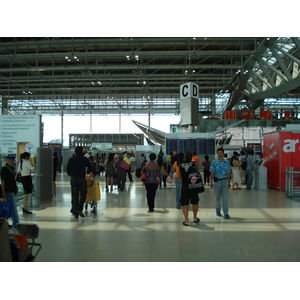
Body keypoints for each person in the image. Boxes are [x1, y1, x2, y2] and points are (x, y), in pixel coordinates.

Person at [67, 146, 93, 218]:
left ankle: (75, 212)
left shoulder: (71, 159)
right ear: (82, 152)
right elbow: (90, 168)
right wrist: (90, 175)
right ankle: (79, 208)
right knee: (83, 194)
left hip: (73, 179)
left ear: (75, 152)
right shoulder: (85, 159)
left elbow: (68, 171)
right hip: (81, 178)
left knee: (74, 195)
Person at [178, 151, 201, 226]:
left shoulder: (180, 165)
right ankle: (195, 218)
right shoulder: (194, 164)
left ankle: (186, 220)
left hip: (185, 186)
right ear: (191, 157)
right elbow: (198, 173)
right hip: (193, 185)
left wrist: (183, 182)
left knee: (184, 203)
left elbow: (179, 175)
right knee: (195, 202)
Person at [209, 148, 232, 219]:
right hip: (217, 181)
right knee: (217, 197)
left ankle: (226, 212)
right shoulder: (214, 162)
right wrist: (211, 181)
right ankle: (217, 210)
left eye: (221, 153)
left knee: (225, 197)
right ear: (217, 154)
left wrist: (229, 182)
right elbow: (212, 172)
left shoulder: (227, 162)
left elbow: (228, 172)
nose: (220, 154)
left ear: (223, 153)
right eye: (218, 153)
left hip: (224, 181)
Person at [1, 154, 19, 227]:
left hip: (12, 191)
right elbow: (3, 181)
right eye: (10, 160)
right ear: (6, 160)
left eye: (12, 160)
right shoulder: (4, 169)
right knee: (13, 209)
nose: (11, 161)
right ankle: (16, 224)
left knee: (11, 208)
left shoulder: (11, 168)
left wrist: (16, 187)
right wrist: (3, 192)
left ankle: (11, 223)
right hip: (8, 191)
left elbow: (12, 180)